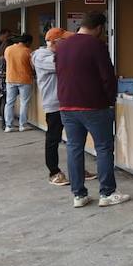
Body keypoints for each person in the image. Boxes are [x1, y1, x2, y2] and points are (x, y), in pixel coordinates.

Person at [55, 11, 128, 208]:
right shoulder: (97, 45)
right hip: (94, 105)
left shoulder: (62, 46)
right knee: (103, 148)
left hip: (66, 105)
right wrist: (110, 100)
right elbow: (107, 76)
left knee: (74, 147)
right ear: (99, 28)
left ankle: (78, 195)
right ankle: (107, 192)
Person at [32, 28, 91, 187]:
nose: (68, 44)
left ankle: (77, 170)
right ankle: (53, 172)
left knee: (76, 139)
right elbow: (64, 65)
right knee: (53, 138)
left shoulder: (61, 54)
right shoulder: (42, 57)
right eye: (65, 42)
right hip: (55, 104)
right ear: (53, 42)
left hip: (71, 102)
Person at [3, 32, 35, 132]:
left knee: (9, 103)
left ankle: (8, 125)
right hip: (24, 79)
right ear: (27, 42)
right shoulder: (28, 51)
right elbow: (33, 66)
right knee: (24, 102)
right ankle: (23, 125)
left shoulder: (8, 49)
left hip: (10, 78)